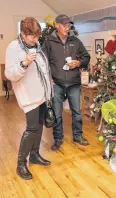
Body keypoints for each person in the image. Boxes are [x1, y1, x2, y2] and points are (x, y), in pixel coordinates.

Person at [5, 17, 52, 180]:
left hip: (41, 95)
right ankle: (20, 164)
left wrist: (49, 89)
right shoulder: (14, 47)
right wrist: (24, 63)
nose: (35, 39)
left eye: (37, 36)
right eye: (32, 36)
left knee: (39, 126)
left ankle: (34, 155)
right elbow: (10, 74)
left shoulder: (37, 46)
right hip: (29, 96)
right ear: (23, 34)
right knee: (31, 128)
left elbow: (43, 69)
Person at [43, 14, 90, 150]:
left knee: (77, 112)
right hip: (56, 84)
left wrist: (79, 62)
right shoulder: (49, 42)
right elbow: (43, 62)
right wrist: (49, 77)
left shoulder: (75, 41)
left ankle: (78, 136)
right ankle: (58, 139)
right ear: (56, 25)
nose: (66, 27)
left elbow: (86, 57)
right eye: (64, 25)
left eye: (68, 25)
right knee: (57, 113)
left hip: (74, 83)